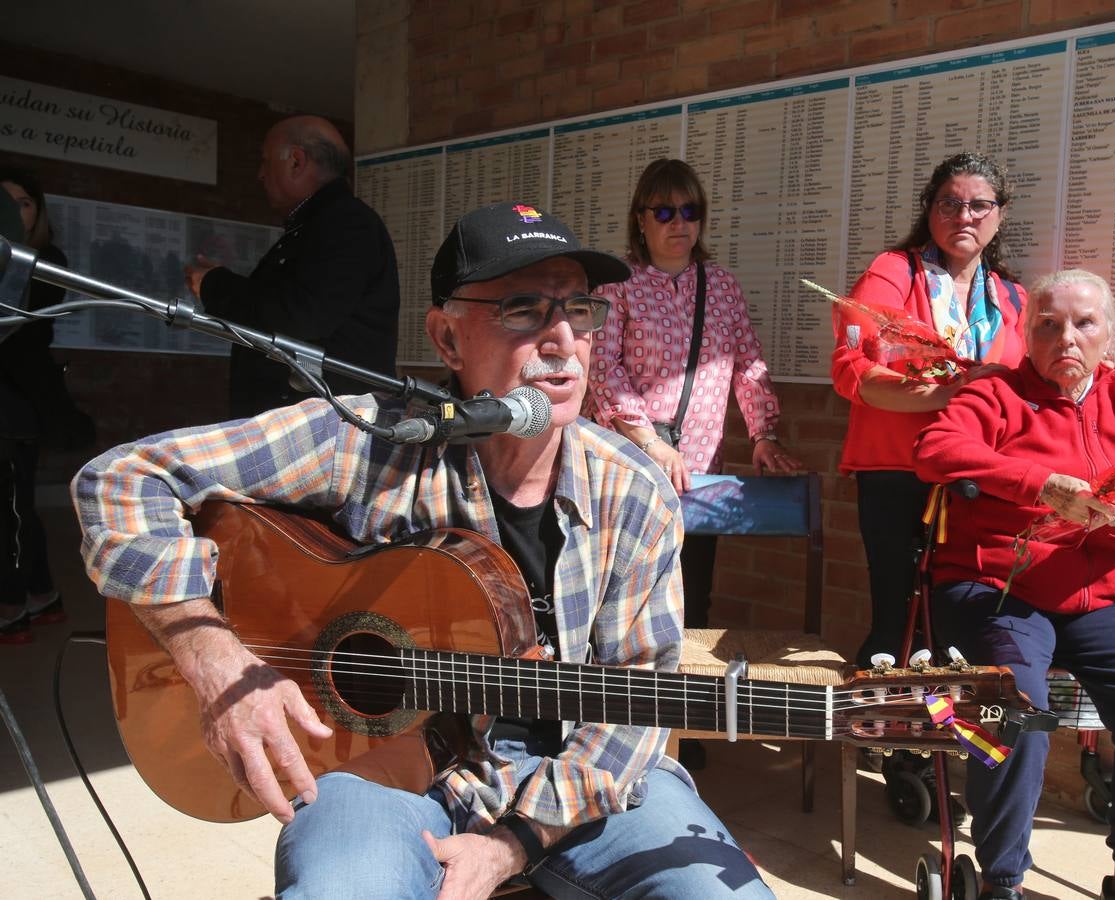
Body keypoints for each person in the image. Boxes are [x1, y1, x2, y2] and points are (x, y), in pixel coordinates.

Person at [76, 201, 774, 899]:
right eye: (523, 309)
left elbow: (632, 708)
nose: (563, 339)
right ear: (447, 339)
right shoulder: (369, 438)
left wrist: (513, 844)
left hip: (577, 772)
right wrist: (215, 660)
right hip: (380, 767)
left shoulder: (635, 492)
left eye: (579, 311)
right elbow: (119, 480)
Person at [913, 270, 1115, 900]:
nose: (1066, 336)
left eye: (1084, 323)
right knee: (1017, 716)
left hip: (1106, 595)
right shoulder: (998, 396)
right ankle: (1002, 877)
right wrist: (1041, 485)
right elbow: (935, 449)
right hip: (998, 591)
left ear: (1109, 334)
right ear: (1026, 334)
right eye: (1048, 323)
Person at [587, 158, 804, 631]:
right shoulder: (616, 284)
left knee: (690, 596)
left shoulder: (721, 286)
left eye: (690, 211)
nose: (679, 223)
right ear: (640, 220)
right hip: (630, 461)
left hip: (699, 468)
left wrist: (763, 434)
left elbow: (748, 365)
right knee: (623, 596)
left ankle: (686, 699)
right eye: (664, 212)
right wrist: (650, 441)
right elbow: (602, 367)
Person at [832, 152, 1028, 671]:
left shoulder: (1011, 296)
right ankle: (884, 743)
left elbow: (1033, 375)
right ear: (929, 209)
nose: (965, 216)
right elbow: (856, 371)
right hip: (898, 469)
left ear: (1000, 213)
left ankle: (941, 743)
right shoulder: (895, 273)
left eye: (980, 205)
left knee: (952, 631)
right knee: (897, 627)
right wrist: (956, 389)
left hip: (973, 477)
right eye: (950, 203)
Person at [184, 115, 400, 420]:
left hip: (325, 429)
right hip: (310, 424)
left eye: (265, 161)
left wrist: (214, 285)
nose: (260, 174)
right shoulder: (321, 223)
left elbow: (300, 316)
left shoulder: (346, 223)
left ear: (296, 161)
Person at [0, 168, 92, 642]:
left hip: (18, 403)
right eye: (6, 203)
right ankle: (38, 594)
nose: (15, 213)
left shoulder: (44, 260)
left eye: (25, 204)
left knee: (14, 508)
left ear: (38, 213)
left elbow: (20, 329)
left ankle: (19, 603)